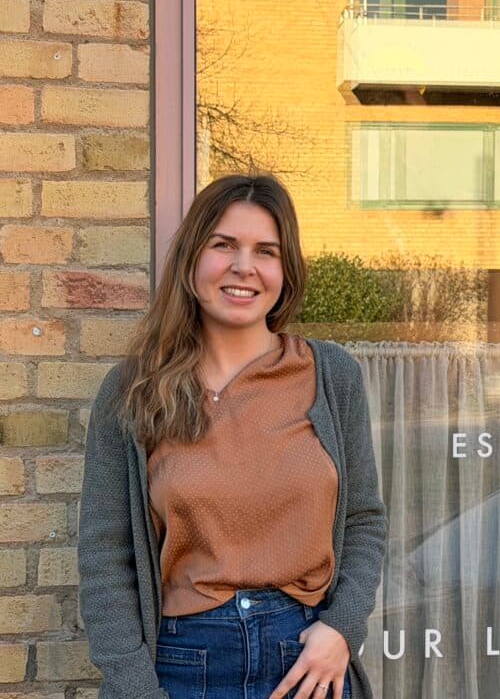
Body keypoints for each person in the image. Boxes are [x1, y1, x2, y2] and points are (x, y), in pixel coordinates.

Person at [77, 175, 387, 699]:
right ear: (193, 259)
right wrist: (134, 687)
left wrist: (342, 630)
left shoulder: (331, 375)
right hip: (182, 661)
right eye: (224, 245)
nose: (245, 267)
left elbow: (363, 522)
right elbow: (106, 558)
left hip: (308, 659)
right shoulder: (134, 389)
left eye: (266, 251)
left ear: (285, 273)